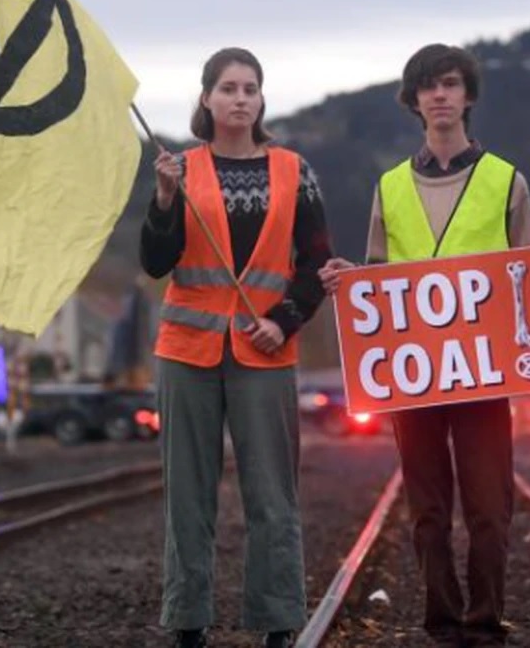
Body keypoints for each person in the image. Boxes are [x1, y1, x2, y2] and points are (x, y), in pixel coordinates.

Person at [320, 43, 530, 647]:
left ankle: (485, 622)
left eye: (449, 84)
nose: (439, 95)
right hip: (413, 377)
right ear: (413, 101)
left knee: (490, 508)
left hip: (485, 375)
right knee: (427, 511)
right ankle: (442, 622)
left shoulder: (506, 182)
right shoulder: (388, 187)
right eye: (427, 86)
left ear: (467, 94)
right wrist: (348, 279)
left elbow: (527, 280)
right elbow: (377, 281)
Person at [143, 47, 332, 648]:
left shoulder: (293, 171)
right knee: (188, 494)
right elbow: (156, 262)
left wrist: (285, 320)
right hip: (186, 351)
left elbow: (317, 262)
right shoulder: (179, 170)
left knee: (273, 494)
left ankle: (278, 621)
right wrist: (166, 202)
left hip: (265, 348)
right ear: (206, 99)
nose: (240, 98)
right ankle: (188, 621)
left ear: (261, 99)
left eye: (250, 88)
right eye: (228, 88)